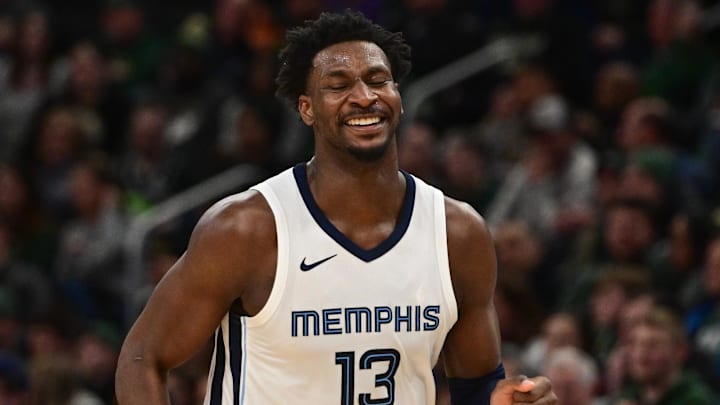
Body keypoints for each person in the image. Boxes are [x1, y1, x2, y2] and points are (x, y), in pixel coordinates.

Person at [116, 10, 556, 404]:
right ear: (307, 109)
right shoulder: (248, 228)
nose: (364, 97)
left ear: (398, 96)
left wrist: (509, 401)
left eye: (378, 79)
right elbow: (142, 357)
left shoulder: (457, 233)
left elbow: (477, 387)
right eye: (339, 85)